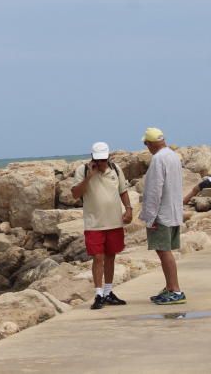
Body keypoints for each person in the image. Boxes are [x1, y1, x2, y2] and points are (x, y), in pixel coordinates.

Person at [71, 142, 133, 310]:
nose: (101, 163)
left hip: (114, 222)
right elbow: (75, 194)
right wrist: (89, 176)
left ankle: (108, 292)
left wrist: (128, 209)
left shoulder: (116, 169)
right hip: (94, 223)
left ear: (108, 157)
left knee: (111, 256)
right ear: (92, 158)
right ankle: (98, 294)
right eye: (98, 160)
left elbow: (123, 191)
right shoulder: (82, 171)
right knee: (98, 257)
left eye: (104, 160)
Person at [138, 127, 185, 305]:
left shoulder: (158, 159)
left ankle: (176, 289)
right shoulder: (173, 156)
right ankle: (170, 287)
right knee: (166, 250)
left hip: (162, 214)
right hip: (173, 211)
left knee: (164, 251)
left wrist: (150, 217)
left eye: (146, 144)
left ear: (150, 143)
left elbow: (154, 190)